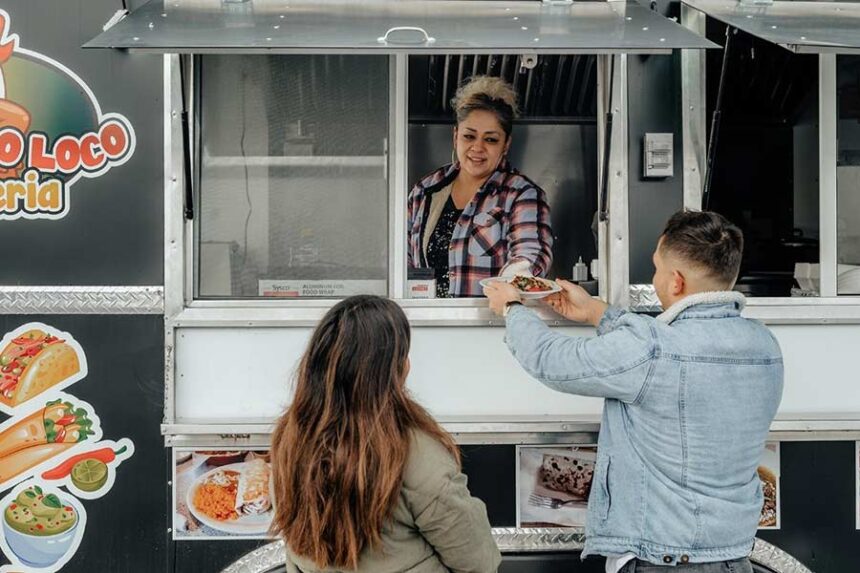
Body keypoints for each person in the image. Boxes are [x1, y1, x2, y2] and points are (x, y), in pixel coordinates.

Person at [484, 210, 783, 573]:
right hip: (733, 557)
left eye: (656, 269)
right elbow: (657, 350)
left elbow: (552, 360)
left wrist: (512, 308)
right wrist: (596, 312)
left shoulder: (652, 350)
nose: (654, 279)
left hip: (662, 562)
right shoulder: (764, 346)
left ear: (676, 282)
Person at [269, 295, 501, 573]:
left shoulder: (290, 440)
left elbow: (294, 550)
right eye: (403, 355)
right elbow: (477, 561)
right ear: (393, 371)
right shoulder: (417, 454)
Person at [407, 75, 553, 298]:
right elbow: (401, 260)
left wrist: (516, 278)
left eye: (491, 139)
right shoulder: (424, 191)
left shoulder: (521, 194)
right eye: (469, 136)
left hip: (491, 318)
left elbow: (531, 254)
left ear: (506, 144)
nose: (478, 147)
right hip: (427, 318)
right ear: (456, 136)